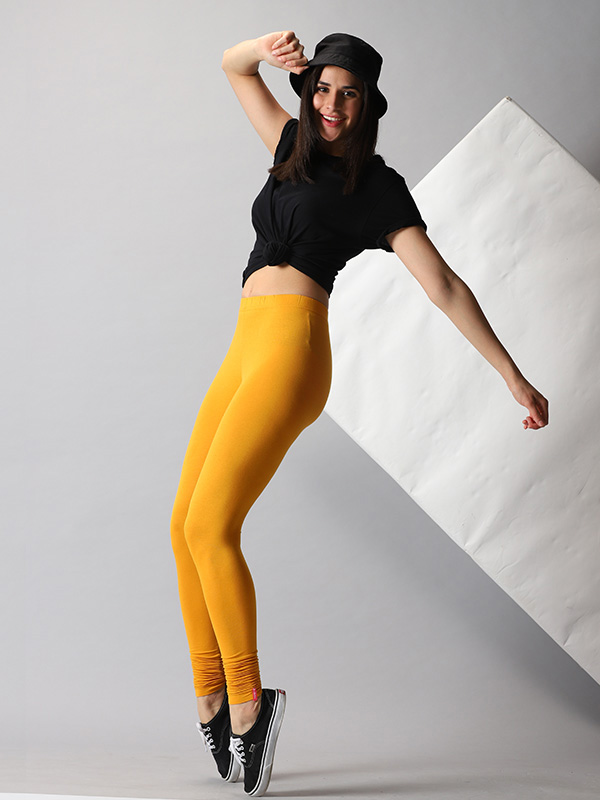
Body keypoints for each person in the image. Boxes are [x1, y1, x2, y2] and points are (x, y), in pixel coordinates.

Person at [169, 30, 549, 797]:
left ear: (368, 105)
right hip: (243, 347)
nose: (332, 104)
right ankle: (209, 694)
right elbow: (232, 69)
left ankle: (249, 705)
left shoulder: (373, 186)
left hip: (292, 353)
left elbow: (442, 284)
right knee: (183, 525)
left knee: (212, 526)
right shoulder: (289, 145)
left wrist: (510, 372)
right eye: (322, 88)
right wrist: (266, 48)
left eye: (349, 94)